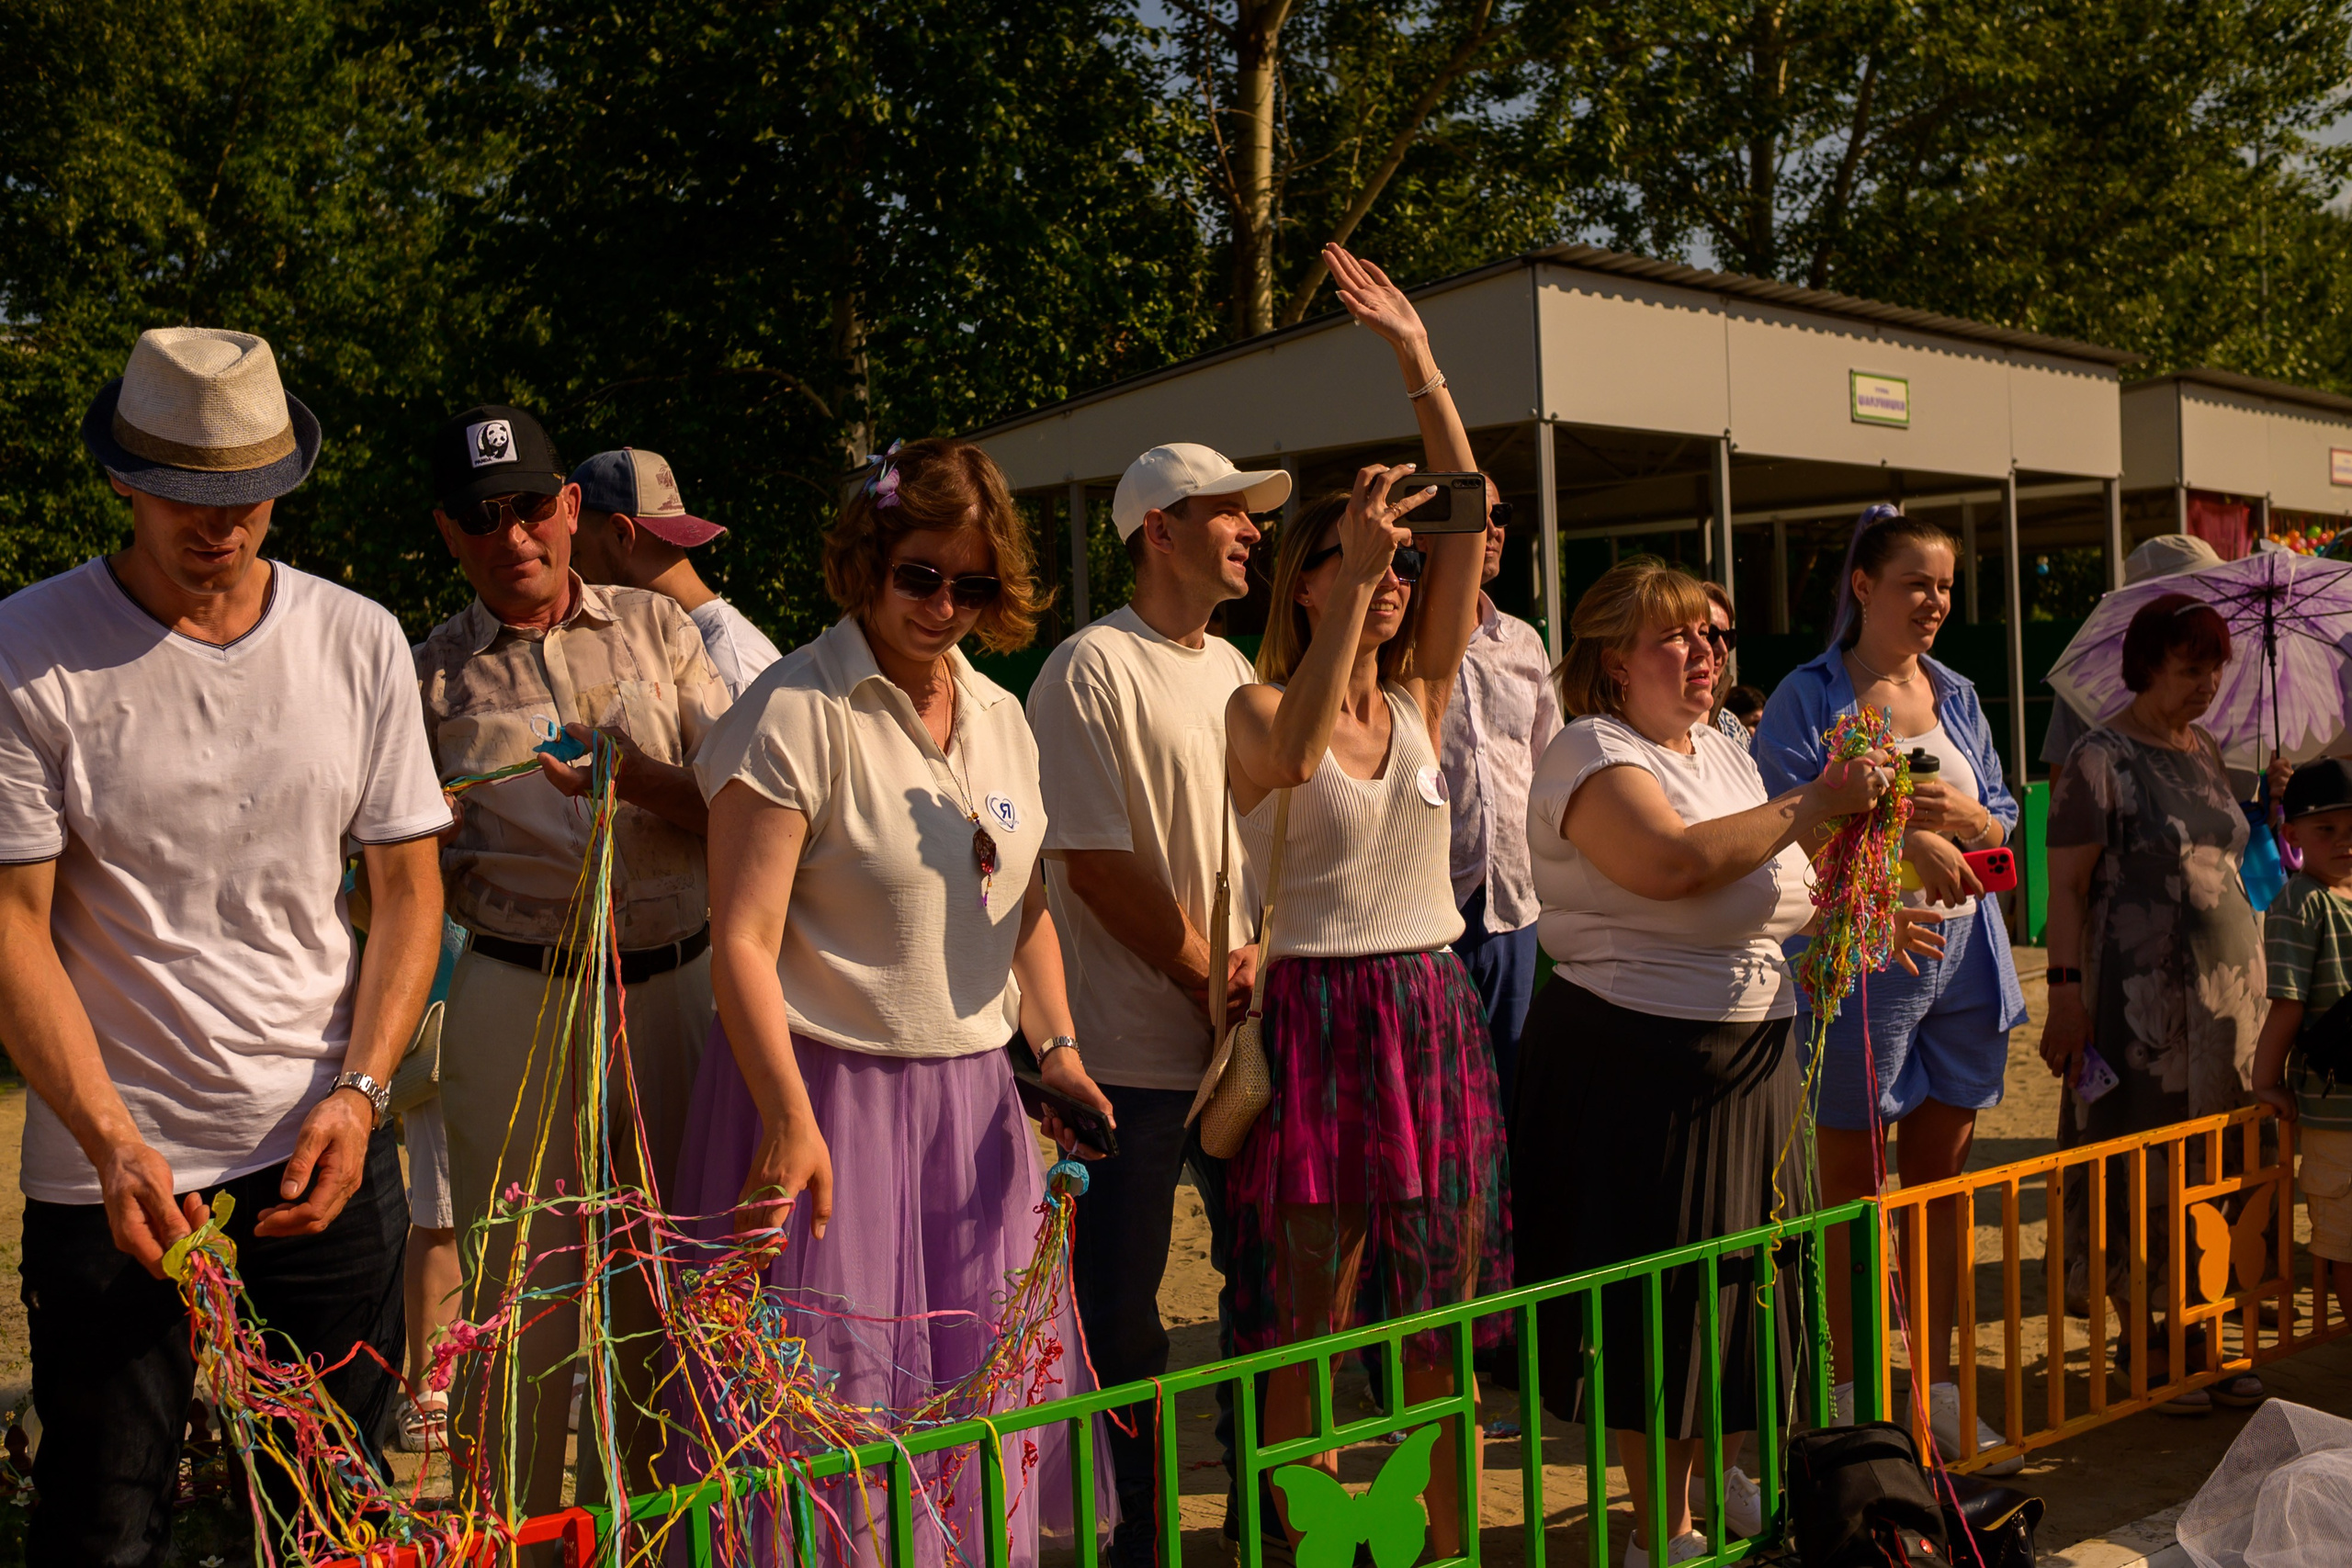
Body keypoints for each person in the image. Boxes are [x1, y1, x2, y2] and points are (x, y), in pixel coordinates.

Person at [0, 328, 448, 1561]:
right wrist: (110, 1140)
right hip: (114, 1171)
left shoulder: (357, 637)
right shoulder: (27, 648)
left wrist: (362, 1095)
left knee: (334, 1514)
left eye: (250, 491)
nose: (223, 522)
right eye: (187, 493)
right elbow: (13, 923)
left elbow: (410, 889)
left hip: (321, 1154)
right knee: (104, 1519)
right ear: (121, 479)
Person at [671, 434, 1114, 1568]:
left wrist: (1058, 1048)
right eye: (921, 574)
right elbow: (741, 942)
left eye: (974, 584)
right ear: (868, 560)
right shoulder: (793, 708)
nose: (945, 606)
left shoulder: (1001, 714)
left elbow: (1022, 910)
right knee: (832, 1432)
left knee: (974, 1426)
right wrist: (789, 1118)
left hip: (973, 1111)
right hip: (824, 1102)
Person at [1516, 558, 1935, 1566]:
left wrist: (1859, 914)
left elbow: (1767, 885)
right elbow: (1673, 864)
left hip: (1754, 1053)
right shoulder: (1591, 750)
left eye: (1713, 635)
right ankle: (1659, 1533)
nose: (1704, 652)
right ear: (1614, 660)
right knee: (1663, 1312)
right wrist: (1820, 797)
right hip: (1639, 1062)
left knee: (1752, 1294)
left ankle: (1723, 1486)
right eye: (1676, 636)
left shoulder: (1723, 749)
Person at [1222, 243, 1503, 1561]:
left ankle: (1444, 1541)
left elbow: (1469, 511)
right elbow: (1288, 757)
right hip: (1318, 1018)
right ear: (1308, 580)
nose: (1395, 580)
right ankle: (1306, 1540)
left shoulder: (1426, 692)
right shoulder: (1254, 706)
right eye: (1362, 563)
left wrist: (1418, 359)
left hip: (1431, 1005)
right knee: (1308, 1314)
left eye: (1400, 566)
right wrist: (1355, 572)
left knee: (1442, 1305)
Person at [413, 404, 729, 1517]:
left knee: (668, 1296)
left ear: (569, 506)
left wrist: (636, 777)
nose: (512, 537)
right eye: (480, 517)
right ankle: (516, 1539)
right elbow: (388, 888)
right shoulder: (429, 677)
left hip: (674, 985)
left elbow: (746, 810)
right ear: (449, 533)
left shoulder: (661, 630)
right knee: (521, 1306)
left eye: (529, 509)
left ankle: (645, 1533)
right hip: (520, 998)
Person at [1025, 441, 1284, 1568]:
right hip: (1127, 1054)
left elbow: (1255, 843)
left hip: (1236, 1045)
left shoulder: (1232, 665)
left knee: (1257, 1292)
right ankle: (1135, 1532)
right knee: (1121, 1318)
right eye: (1227, 511)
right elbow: (1092, 864)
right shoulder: (1088, 667)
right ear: (1159, 531)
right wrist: (1208, 974)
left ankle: (1257, 1512)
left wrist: (1255, 961)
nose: (1252, 530)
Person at [1752, 504, 2027, 1471]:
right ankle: (1853, 1394)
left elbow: (2003, 815)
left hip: (1968, 955)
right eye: (1917, 582)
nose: (1935, 601)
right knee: (1854, 1192)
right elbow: (1787, 818)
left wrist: (1969, 821)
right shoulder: (1807, 694)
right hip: (1866, 959)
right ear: (1863, 587)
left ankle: (1937, 1389)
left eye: (1945, 586)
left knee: (1941, 1187)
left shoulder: (1956, 691)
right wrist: (1906, 833)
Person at [2041, 592, 2277, 1413]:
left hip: (2228, 1002)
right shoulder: (2098, 757)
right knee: (2142, 1162)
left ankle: (2205, 1330)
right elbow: (2065, 890)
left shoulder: (2205, 746)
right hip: (2143, 1006)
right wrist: (2064, 996)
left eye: (2215, 669)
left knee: (2219, 1164)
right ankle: (2145, 1344)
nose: (2206, 684)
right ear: (2146, 665)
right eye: (2189, 668)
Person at [1436, 479, 1560, 1104]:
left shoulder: (1524, 642)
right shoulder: (1402, 641)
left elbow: (1551, 770)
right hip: (1428, 906)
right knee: (1443, 1095)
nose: (1493, 529)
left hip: (1514, 904)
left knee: (1510, 1091)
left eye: (1501, 513)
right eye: (1476, 515)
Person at [2254, 758, 2352, 1329]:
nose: (2343, 842)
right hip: (2334, 1111)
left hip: (2340, 1100)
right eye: (2326, 829)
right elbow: (2287, 1003)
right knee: (2343, 1242)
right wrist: (2266, 1080)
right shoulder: (2300, 902)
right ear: (2290, 835)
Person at [567, 446, 784, 699]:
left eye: (576, 553)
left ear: (621, 534)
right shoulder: (691, 644)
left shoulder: (729, 668)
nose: (575, 572)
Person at [1701, 581, 1749, 751]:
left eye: (1728, 637)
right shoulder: (1657, 727)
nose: (1722, 649)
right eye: (1709, 634)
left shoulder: (1733, 727)